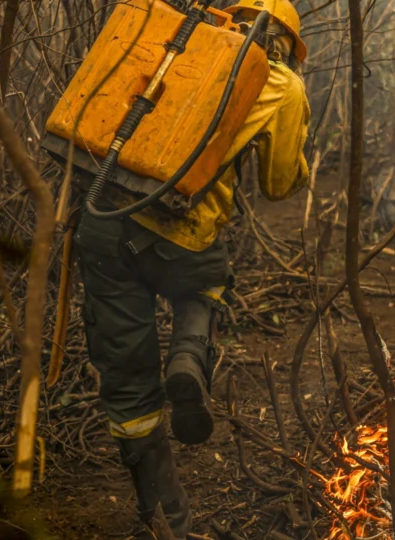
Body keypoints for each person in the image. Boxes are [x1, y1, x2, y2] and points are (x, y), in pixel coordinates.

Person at [71, 1, 310, 536]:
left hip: (105, 221)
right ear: (286, 45)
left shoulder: (174, 42)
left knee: (127, 381)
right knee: (204, 284)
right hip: (182, 236)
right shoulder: (281, 83)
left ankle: (163, 511)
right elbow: (277, 184)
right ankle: (186, 358)